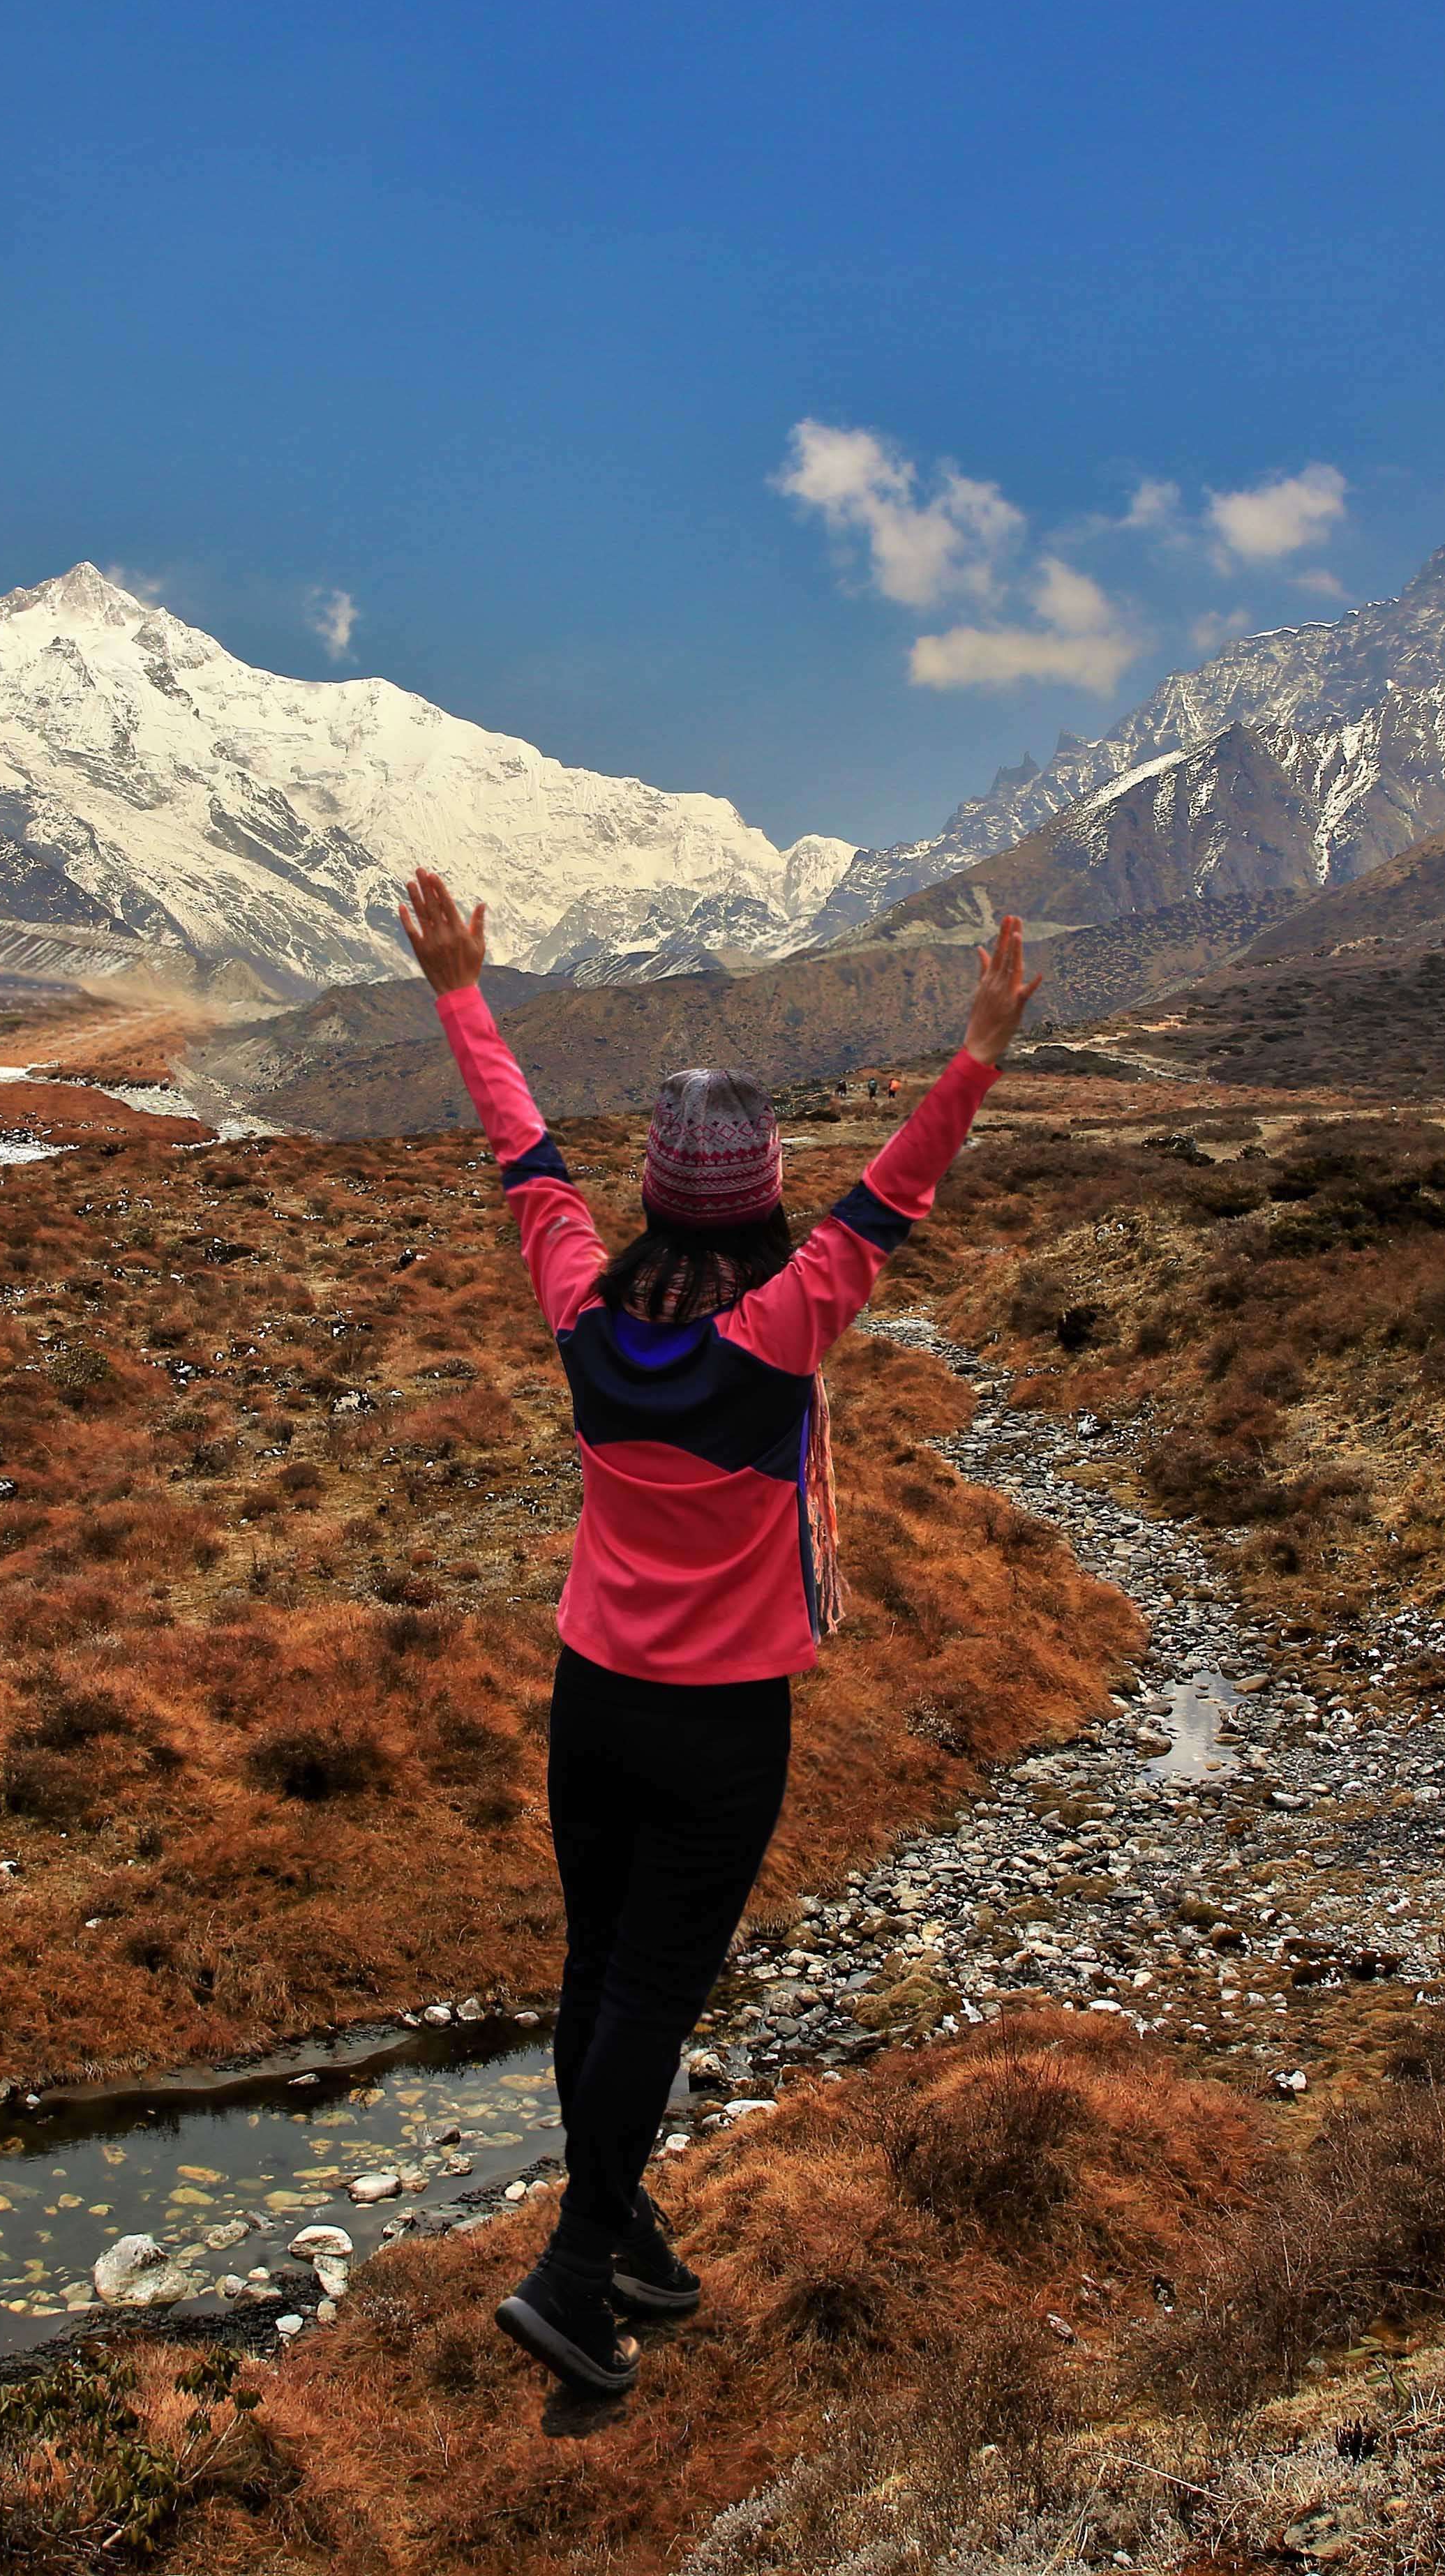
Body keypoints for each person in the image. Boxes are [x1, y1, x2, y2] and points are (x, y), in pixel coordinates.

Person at [391, 865, 1041, 2397]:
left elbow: (524, 1151)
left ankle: (616, 2240)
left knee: (600, 1971)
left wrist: (457, 990)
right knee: (653, 1996)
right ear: (757, 1200)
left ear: (652, 1198)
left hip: (591, 1696)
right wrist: (981, 1053)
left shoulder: (582, 1307)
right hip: (722, 1723)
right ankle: (573, 2265)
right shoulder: (784, 1327)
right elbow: (895, 1192)